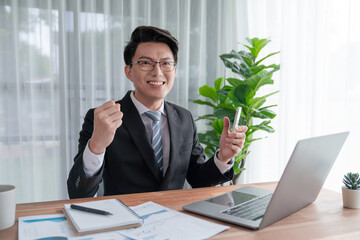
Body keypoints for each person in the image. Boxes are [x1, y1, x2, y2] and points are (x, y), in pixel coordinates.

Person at [67, 26, 248, 199]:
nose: (157, 72)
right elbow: (78, 193)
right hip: (124, 224)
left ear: (174, 71)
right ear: (129, 71)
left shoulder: (184, 118)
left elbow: (198, 179)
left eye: (166, 63)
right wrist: (96, 146)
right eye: (146, 63)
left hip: (175, 222)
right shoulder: (102, 119)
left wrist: (223, 157)